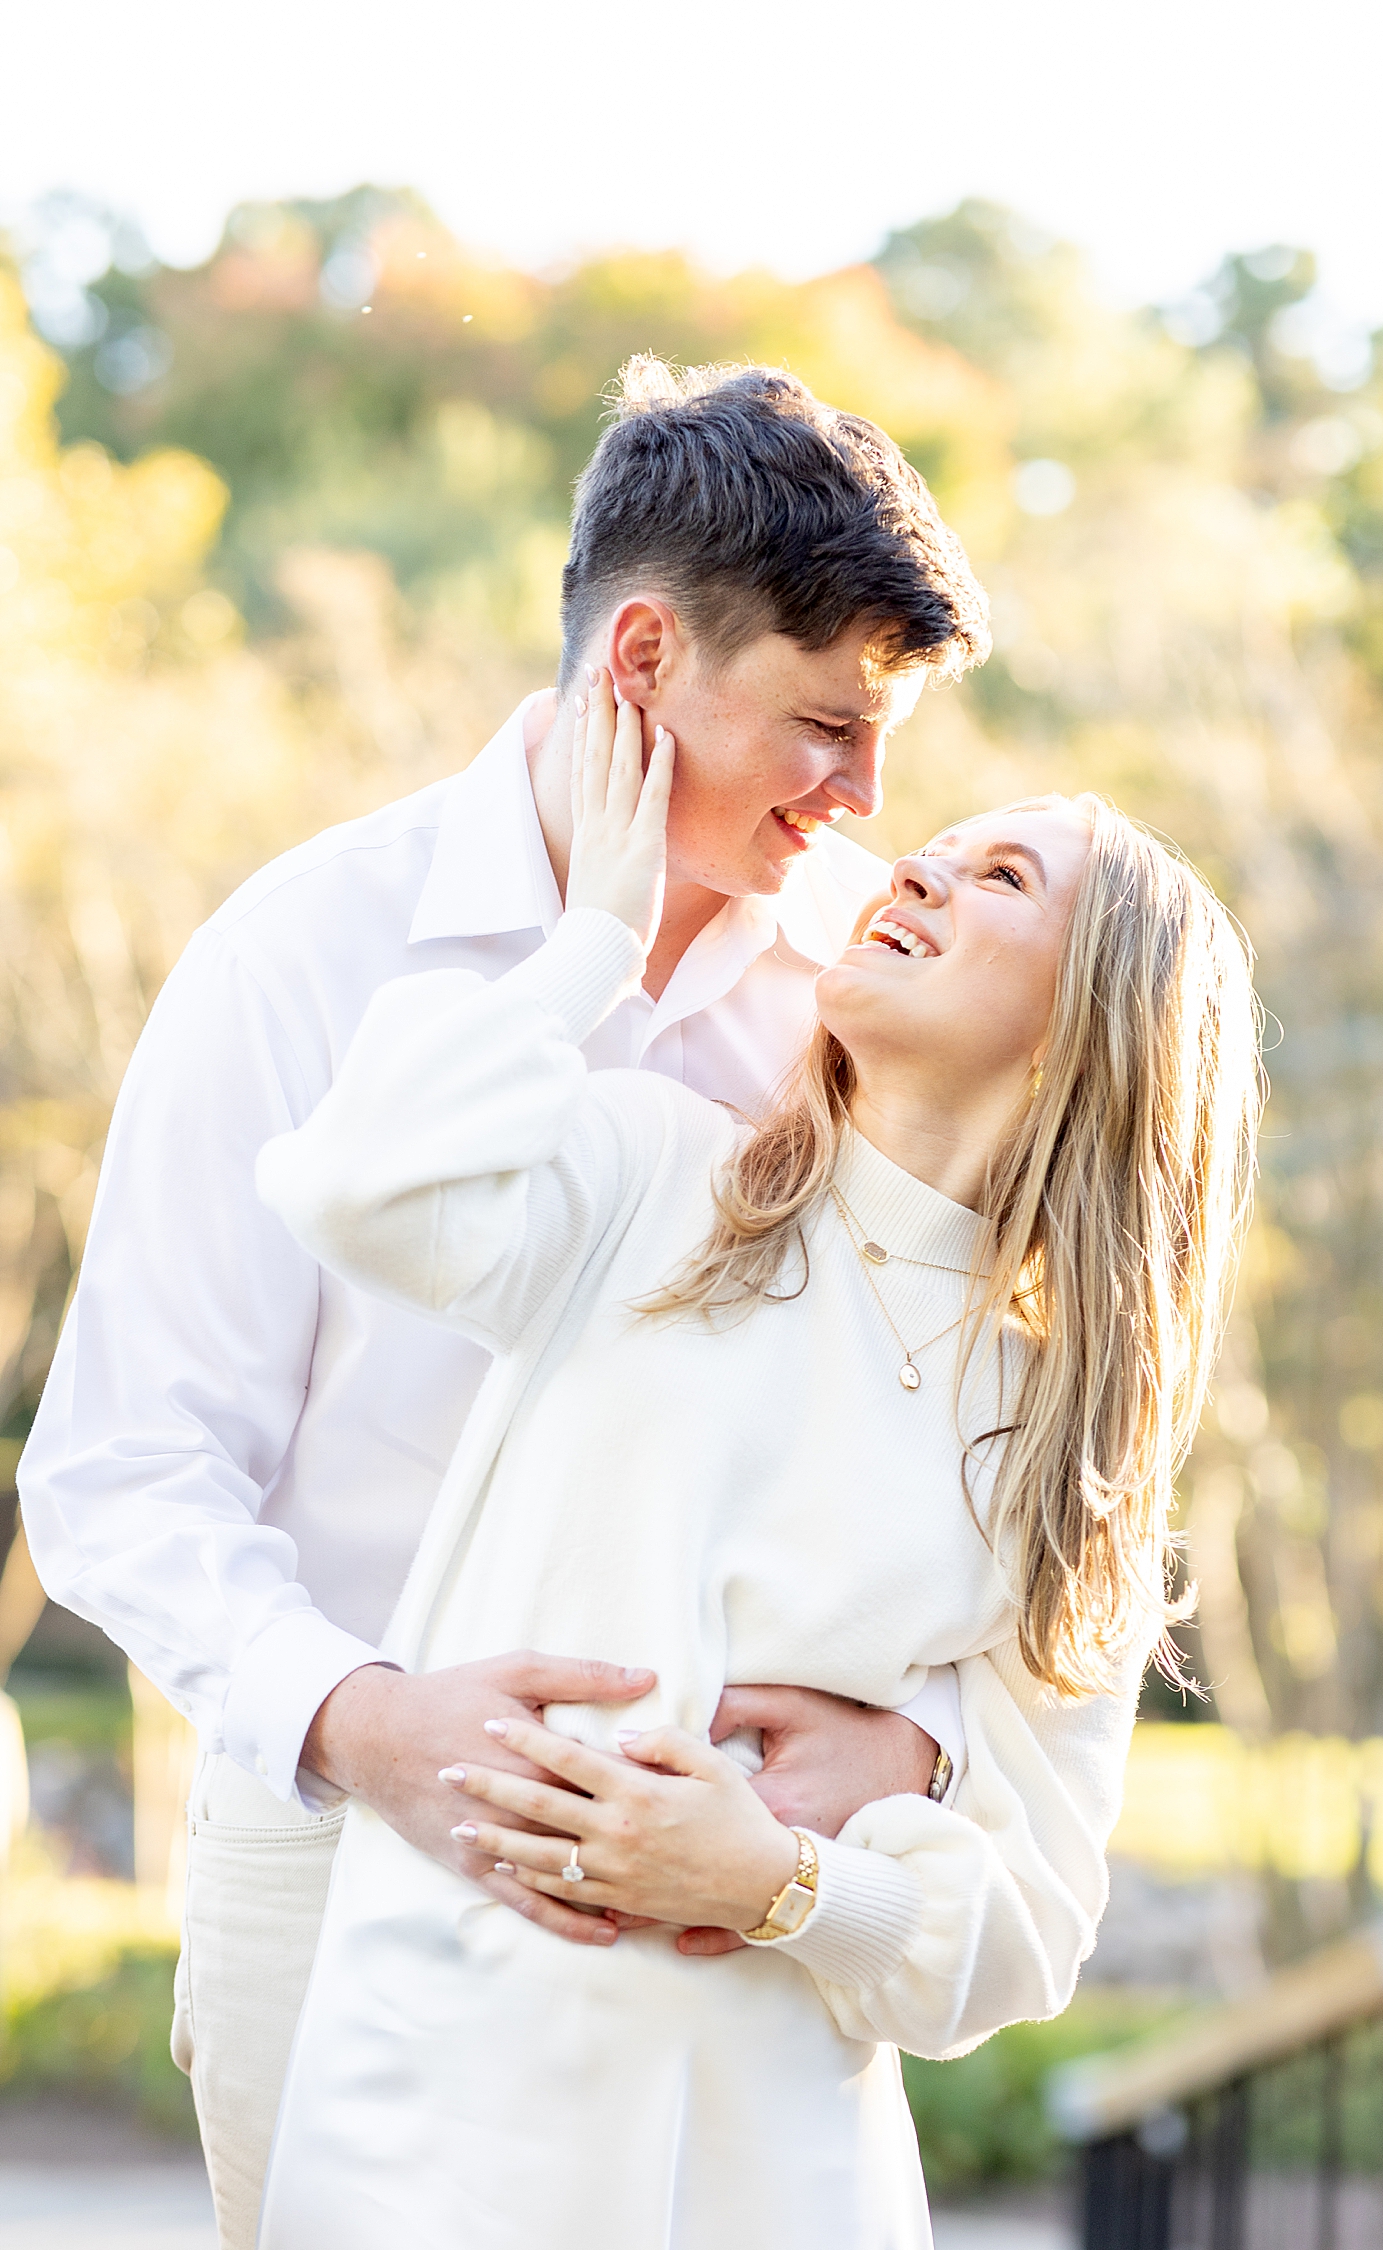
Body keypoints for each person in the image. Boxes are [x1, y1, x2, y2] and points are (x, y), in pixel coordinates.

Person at [17, 360, 993, 2246]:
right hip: (331, 1853)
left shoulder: (869, 995)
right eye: (824, 727)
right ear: (644, 661)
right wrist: (377, 1727)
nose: (870, 799)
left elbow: (976, 1421)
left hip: (720, 1903)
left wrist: (919, 1742)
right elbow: (122, 1473)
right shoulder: (299, 954)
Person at [251, 675, 1262, 2246]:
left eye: (1005, 877)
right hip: (442, 2108)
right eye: (941, 846)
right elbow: (355, 1184)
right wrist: (592, 937)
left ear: (1098, 1025)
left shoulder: (1062, 1438)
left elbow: (1032, 1926)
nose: (917, 865)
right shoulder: (654, 1174)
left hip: (771, 2165)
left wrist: (778, 1878)